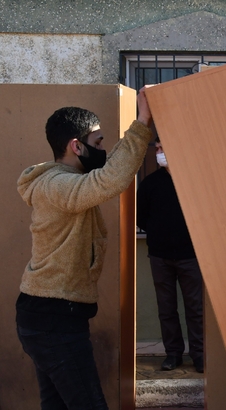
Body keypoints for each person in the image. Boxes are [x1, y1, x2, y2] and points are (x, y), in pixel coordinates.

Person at [16, 87, 153, 410]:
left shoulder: (66, 182)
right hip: (54, 320)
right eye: (98, 142)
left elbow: (107, 172)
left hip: (51, 316)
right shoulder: (58, 186)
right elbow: (110, 180)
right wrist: (142, 122)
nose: (103, 149)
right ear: (76, 146)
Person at [136, 137, 204, 373]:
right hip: (159, 256)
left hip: (191, 255)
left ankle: (200, 355)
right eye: (156, 148)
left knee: (196, 308)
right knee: (166, 308)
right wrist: (158, 233)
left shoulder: (194, 182)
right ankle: (173, 354)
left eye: (162, 147)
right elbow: (140, 217)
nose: (158, 151)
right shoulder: (149, 183)